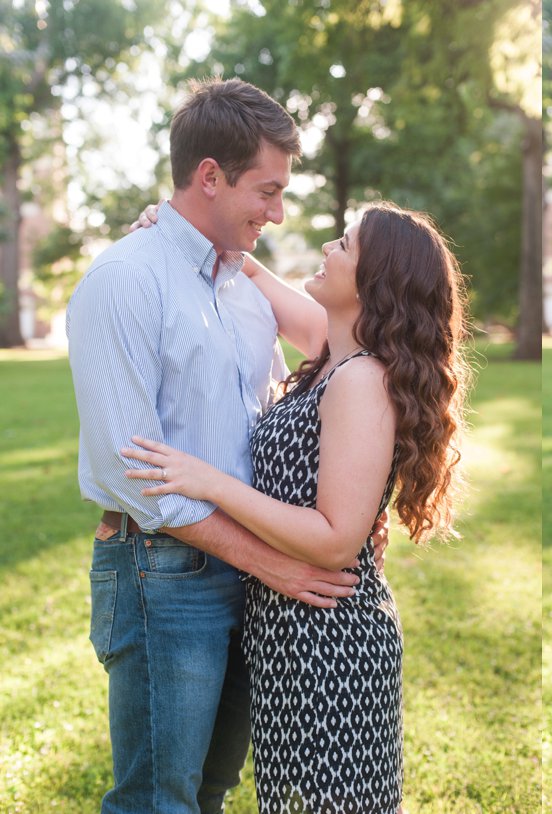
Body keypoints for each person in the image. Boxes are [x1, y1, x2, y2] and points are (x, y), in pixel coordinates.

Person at [66, 77, 369, 812]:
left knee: (210, 791)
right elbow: (133, 472)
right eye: (266, 191)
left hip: (249, 579)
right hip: (162, 577)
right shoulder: (124, 281)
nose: (280, 210)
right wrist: (274, 564)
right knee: (158, 799)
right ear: (209, 177)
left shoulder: (244, 287)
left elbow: (358, 344)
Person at [122, 200, 471, 813]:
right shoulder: (336, 354)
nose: (329, 248)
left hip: (327, 639)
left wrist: (209, 481)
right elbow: (250, 271)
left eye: (345, 244)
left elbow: (336, 539)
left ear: (374, 281)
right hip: (291, 627)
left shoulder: (360, 379)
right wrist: (179, 223)